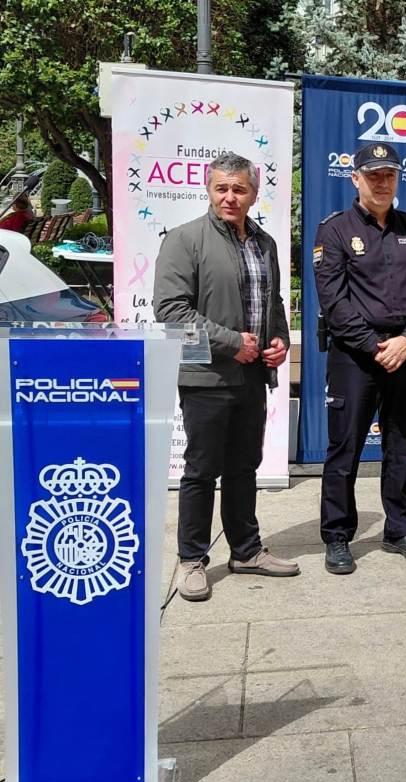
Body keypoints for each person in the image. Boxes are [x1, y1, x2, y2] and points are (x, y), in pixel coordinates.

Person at [153, 152, 298, 602]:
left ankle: (246, 550)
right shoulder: (185, 239)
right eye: (222, 188)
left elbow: (272, 301)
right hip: (206, 376)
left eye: (239, 189)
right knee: (201, 471)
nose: (230, 197)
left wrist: (279, 339)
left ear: (253, 193)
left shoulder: (265, 242)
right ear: (209, 189)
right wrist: (231, 341)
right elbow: (170, 310)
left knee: (243, 468)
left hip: (252, 376)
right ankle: (191, 560)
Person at [313, 143, 406, 574]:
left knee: (401, 446)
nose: (382, 182)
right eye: (373, 175)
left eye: (389, 175)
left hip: (405, 353)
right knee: (344, 449)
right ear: (356, 179)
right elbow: (334, 302)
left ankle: (400, 530)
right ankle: (337, 536)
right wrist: (374, 345)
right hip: (355, 357)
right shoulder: (334, 230)